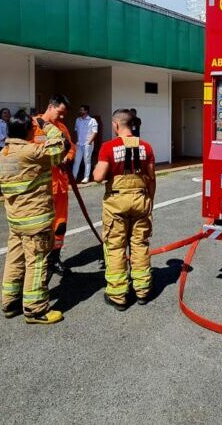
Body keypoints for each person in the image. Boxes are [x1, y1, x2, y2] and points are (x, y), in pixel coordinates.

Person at [0, 114, 65, 324]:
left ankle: (10, 301)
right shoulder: (31, 153)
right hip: (36, 221)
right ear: (29, 132)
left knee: (15, 259)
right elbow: (60, 148)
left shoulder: (0, 158)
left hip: (16, 221)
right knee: (37, 262)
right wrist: (46, 125)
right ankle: (35, 310)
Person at [92, 108, 156, 310]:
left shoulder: (108, 147)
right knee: (139, 245)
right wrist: (149, 201)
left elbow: (98, 177)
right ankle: (143, 290)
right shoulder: (146, 147)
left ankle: (118, 295)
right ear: (132, 124)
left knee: (115, 247)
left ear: (115, 125)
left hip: (117, 203)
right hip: (140, 200)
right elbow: (151, 178)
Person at [38, 95, 75, 276]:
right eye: (60, 113)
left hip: (60, 186)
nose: (62, 117)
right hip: (41, 187)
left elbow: (71, 148)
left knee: (60, 225)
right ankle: (39, 261)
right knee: (41, 226)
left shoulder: (62, 128)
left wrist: (66, 158)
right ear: (50, 106)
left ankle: (54, 258)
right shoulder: (33, 126)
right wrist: (54, 160)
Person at [72, 104, 99, 184]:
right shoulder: (78, 120)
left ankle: (86, 177)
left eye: (82, 110)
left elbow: (95, 132)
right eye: (80, 110)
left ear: (86, 111)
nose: (80, 111)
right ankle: (73, 177)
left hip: (87, 144)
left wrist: (89, 142)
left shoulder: (92, 120)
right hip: (79, 144)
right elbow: (75, 130)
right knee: (77, 161)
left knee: (87, 161)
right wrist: (75, 141)